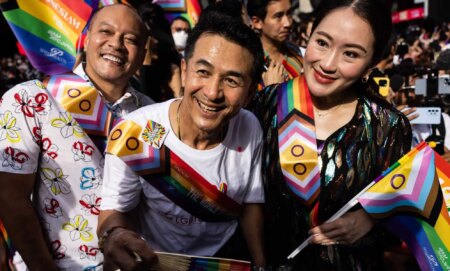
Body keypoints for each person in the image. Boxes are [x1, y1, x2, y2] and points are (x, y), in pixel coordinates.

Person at [250, 0, 412, 269]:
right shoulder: (264, 105)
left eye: (350, 54)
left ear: (370, 65)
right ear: (309, 35)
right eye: (322, 43)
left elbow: (403, 214)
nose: (327, 64)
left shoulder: (389, 126)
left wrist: (370, 219)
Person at [98, 12, 266, 271]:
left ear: (250, 91)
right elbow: (113, 210)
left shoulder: (250, 126)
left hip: (224, 259)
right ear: (185, 70)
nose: (212, 92)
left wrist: (261, 265)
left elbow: (251, 204)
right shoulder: (136, 133)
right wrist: (114, 235)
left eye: (231, 80)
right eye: (203, 72)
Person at [0, 4, 152, 270]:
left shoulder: (153, 116)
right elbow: (10, 196)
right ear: (86, 39)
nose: (116, 44)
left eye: (130, 39)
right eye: (106, 32)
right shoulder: (31, 99)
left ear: (142, 55)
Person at [247, 0, 303, 87]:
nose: (287, 23)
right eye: (278, 16)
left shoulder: (297, 53)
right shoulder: (249, 62)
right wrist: (271, 89)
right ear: (257, 22)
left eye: (289, 13)